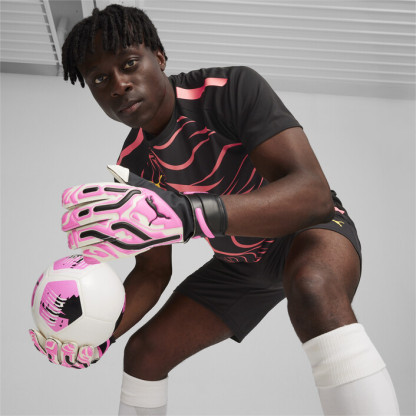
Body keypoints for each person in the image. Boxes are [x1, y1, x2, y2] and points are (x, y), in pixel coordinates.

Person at [29, 4, 400, 415]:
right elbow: (152, 272)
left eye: (129, 64)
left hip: (307, 233)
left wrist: (189, 214)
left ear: (159, 57)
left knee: (312, 287)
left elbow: (313, 195)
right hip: (240, 266)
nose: (118, 84)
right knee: (145, 353)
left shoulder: (229, 88)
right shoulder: (132, 165)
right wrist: (97, 333)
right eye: (99, 79)